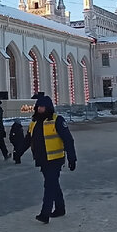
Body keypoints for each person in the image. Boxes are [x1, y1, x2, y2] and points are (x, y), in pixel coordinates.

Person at [27, 96, 77, 224]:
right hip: (42, 159)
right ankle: (60, 208)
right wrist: (18, 153)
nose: (40, 109)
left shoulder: (57, 121)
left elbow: (68, 139)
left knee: (49, 185)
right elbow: (27, 139)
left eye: (42, 107)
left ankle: (45, 214)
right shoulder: (34, 122)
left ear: (48, 107)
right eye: (38, 107)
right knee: (53, 183)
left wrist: (72, 158)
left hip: (55, 159)